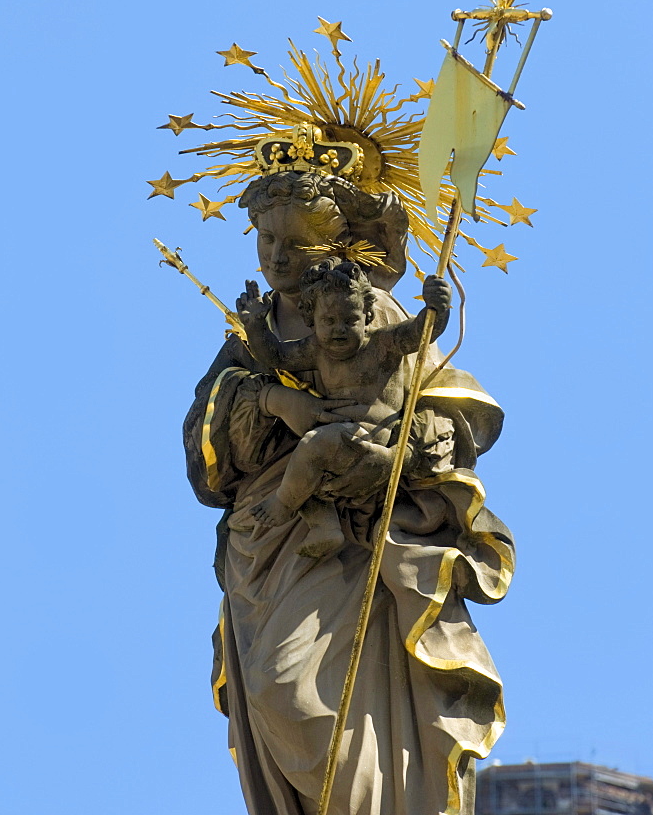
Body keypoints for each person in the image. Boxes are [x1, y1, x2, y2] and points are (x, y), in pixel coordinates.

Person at [183, 170, 514, 815]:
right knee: (277, 695)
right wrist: (277, 400)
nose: (278, 257)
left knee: (310, 696)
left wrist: (400, 452)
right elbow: (206, 458)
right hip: (269, 548)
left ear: (334, 245)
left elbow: (449, 416)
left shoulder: (368, 312)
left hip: (361, 539)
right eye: (266, 240)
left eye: (298, 244)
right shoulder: (251, 338)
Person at [237, 259, 452, 557]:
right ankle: (325, 526)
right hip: (335, 441)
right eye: (328, 321)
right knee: (302, 470)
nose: (338, 330)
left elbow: (422, 331)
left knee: (313, 446)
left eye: (349, 320)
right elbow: (276, 357)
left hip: (370, 440)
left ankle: (282, 504)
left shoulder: (383, 344)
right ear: (311, 319)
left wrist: (437, 308)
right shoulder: (317, 349)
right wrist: (255, 325)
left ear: (367, 315)